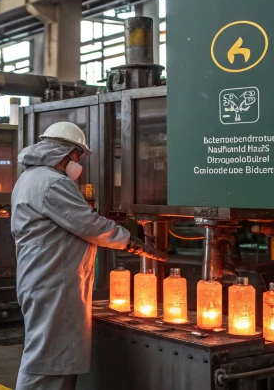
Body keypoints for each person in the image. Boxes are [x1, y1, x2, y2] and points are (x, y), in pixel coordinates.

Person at [12, 122, 168, 390]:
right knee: (47, 359)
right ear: (65, 152)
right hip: (52, 283)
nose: (78, 162)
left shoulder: (30, 178)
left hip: (47, 279)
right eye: (78, 155)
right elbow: (88, 224)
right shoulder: (51, 182)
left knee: (54, 356)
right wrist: (134, 244)